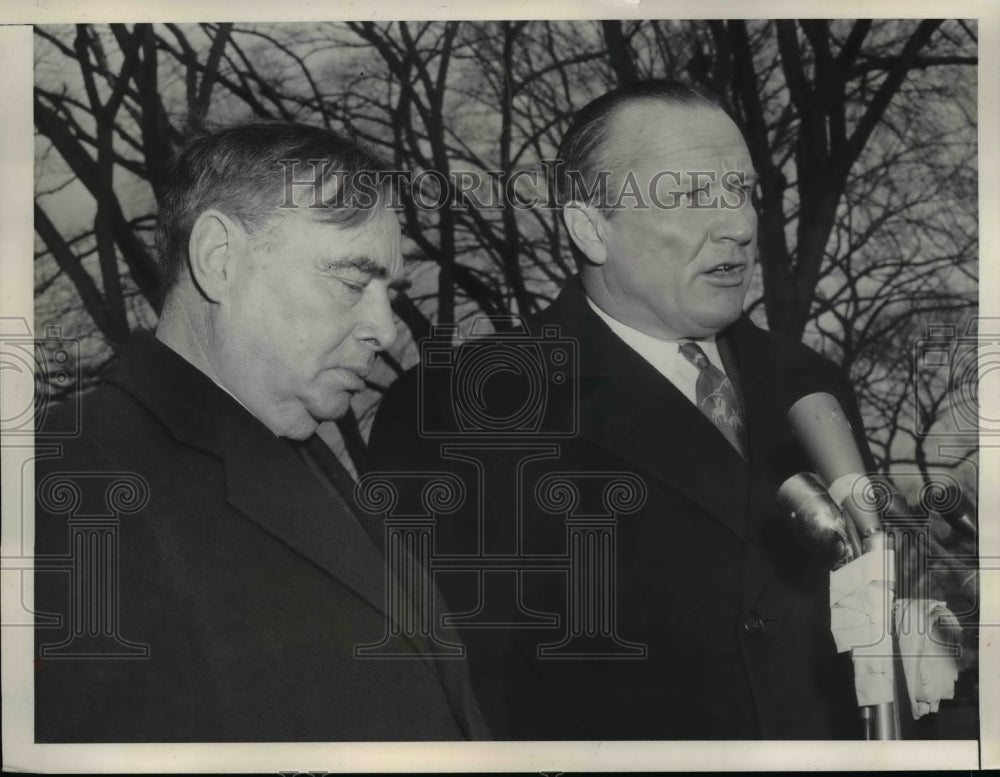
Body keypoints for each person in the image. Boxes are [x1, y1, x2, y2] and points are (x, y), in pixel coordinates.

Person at [367, 81, 870, 739]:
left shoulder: (811, 382)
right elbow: (444, 703)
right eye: (691, 196)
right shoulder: (464, 408)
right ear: (591, 228)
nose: (742, 226)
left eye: (745, 192)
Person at [34, 122, 488, 742]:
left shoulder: (302, 457)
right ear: (220, 260)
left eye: (389, 292)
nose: (383, 329)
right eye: (354, 282)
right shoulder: (72, 477)